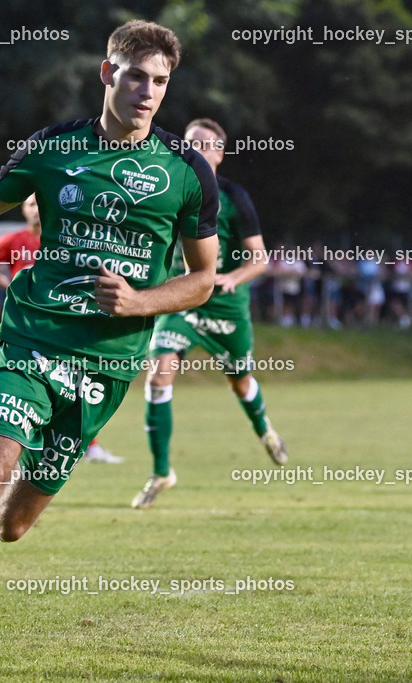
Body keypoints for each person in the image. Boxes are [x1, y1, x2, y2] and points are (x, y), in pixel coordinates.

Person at [0, 20, 219, 673]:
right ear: (107, 74)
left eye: (160, 81)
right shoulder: (53, 148)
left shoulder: (187, 173)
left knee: (9, 524)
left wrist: (141, 301)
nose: (147, 91)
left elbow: (204, 278)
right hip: (33, 339)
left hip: (110, 363)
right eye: (135, 76)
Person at [132, 117, 288, 510]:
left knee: (240, 381)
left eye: (203, 144)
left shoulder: (236, 198)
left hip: (224, 304)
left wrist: (234, 277)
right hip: (182, 298)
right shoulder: (170, 188)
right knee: (158, 373)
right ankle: (162, 471)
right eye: (188, 143)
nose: (193, 149)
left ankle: (264, 429)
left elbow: (259, 260)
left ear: (219, 154)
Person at [0, 194, 123, 464]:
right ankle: (6, 439)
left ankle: (85, 445)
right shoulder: (15, 240)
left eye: (41, 203)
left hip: (62, 323)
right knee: (28, 383)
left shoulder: (65, 237)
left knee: (74, 382)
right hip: (26, 324)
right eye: (31, 204)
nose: (36, 209)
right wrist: (7, 283)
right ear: (22, 210)